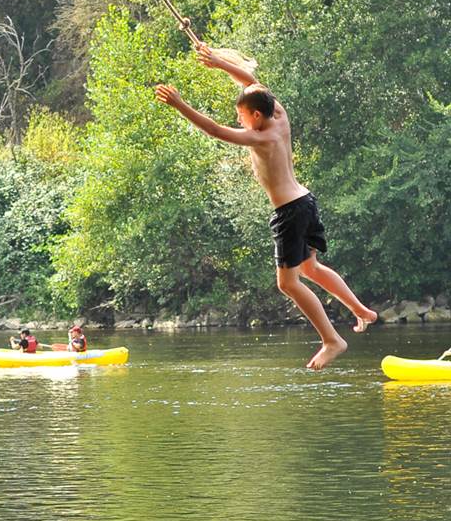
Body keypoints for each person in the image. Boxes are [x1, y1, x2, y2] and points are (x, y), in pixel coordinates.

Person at [155, 42, 378, 370]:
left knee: (288, 283)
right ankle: (360, 309)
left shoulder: (261, 137)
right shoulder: (278, 112)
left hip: (289, 212)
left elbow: (214, 130)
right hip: (305, 200)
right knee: (310, 269)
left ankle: (332, 340)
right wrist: (219, 63)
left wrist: (179, 104)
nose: (237, 118)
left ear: (256, 115)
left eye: (241, 115)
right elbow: (249, 81)